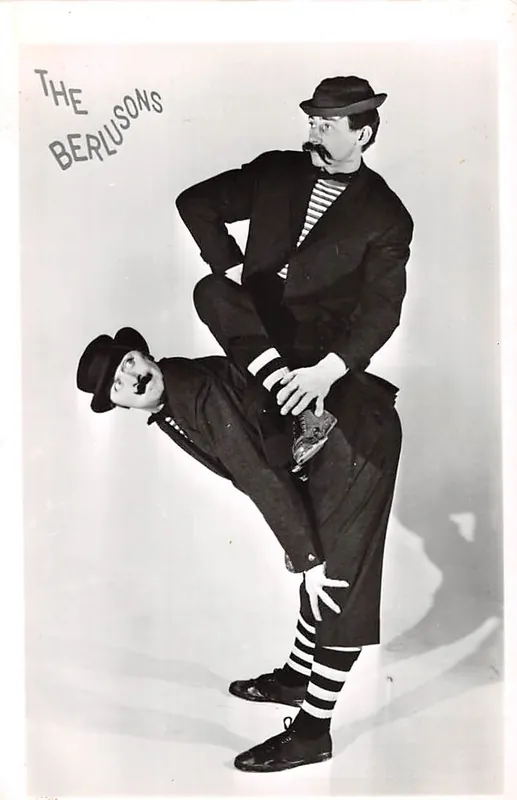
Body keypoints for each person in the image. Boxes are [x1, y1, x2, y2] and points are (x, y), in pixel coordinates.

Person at [77, 323, 404, 772]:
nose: (133, 377)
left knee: (335, 585)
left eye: (129, 362)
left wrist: (309, 558)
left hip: (355, 439)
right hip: (328, 448)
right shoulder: (173, 398)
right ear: (119, 404)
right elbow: (261, 455)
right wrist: (304, 545)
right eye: (118, 383)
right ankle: (296, 679)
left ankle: (312, 733)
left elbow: (258, 475)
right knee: (317, 567)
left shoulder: (192, 391)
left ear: (145, 355)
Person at [175, 75, 414, 477]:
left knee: (271, 448)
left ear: (362, 135)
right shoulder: (276, 169)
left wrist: (326, 373)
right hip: (254, 318)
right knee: (211, 290)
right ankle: (301, 412)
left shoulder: (387, 215)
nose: (313, 135)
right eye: (311, 124)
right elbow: (195, 202)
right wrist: (232, 267)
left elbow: (383, 309)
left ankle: (287, 418)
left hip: (313, 340)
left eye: (327, 126)